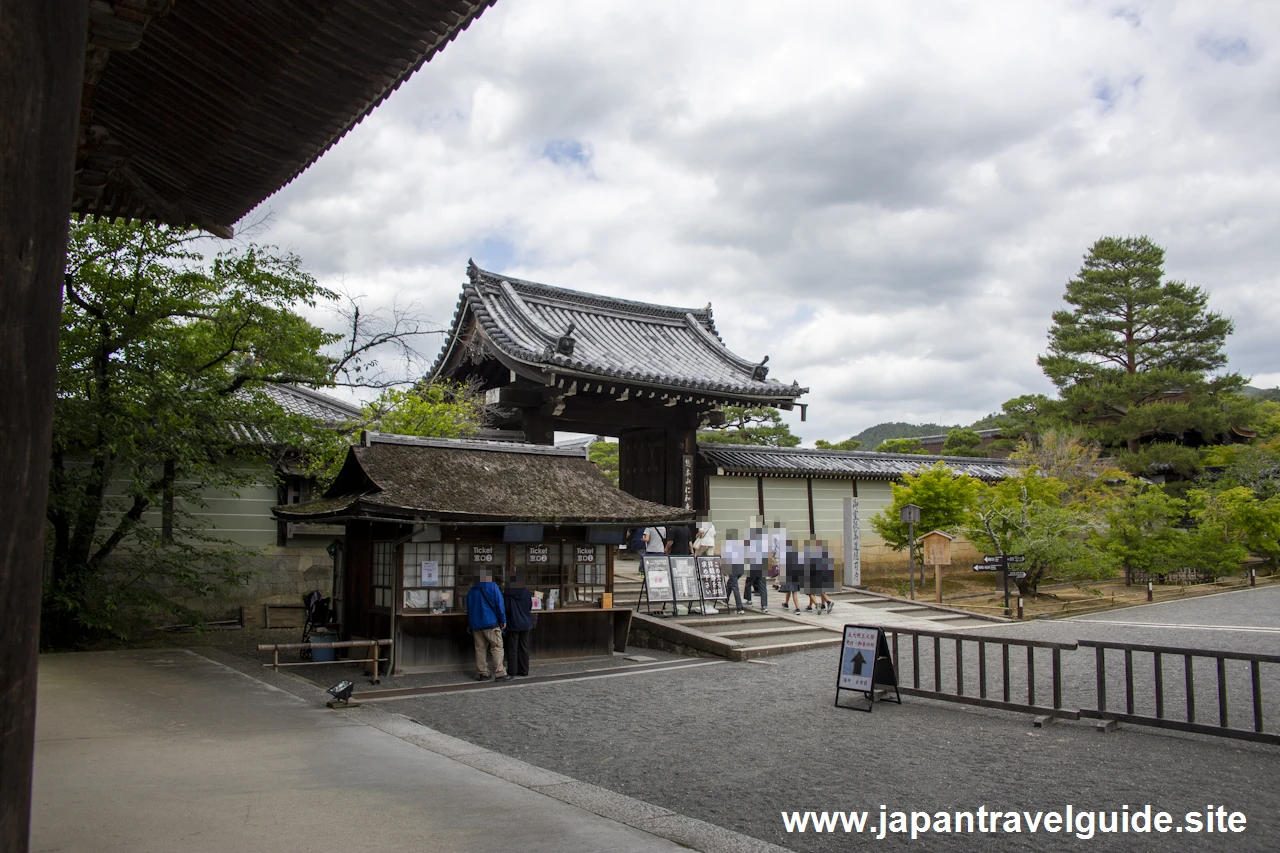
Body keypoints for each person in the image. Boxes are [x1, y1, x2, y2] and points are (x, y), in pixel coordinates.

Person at [465, 572, 508, 681]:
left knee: (480, 648)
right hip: (490, 622)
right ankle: (499, 673)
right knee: (497, 647)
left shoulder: (472, 590)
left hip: (476, 624)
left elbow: (469, 608)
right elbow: (499, 604)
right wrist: (503, 620)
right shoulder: (492, 586)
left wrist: (470, 623)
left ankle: (482, 673)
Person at [502, 574, 536, 678]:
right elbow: (529, 607)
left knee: (513, 648)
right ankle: (524, 670)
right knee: (524, 647)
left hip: (513, 624)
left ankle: (512, 670)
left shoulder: (507, 595)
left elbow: (506, 609)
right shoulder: (526, 593)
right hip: (526, 624)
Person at [722, 528, 745, 614]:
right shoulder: (740, 545)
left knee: (735, 587)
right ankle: (726, 599)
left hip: (733, 569)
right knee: (730, 583)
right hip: (740, 568)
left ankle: (740, 608)